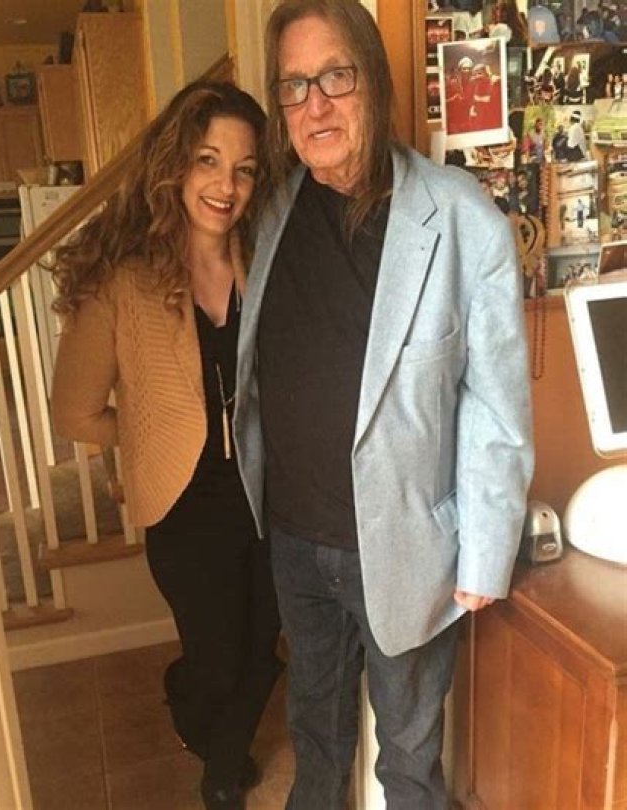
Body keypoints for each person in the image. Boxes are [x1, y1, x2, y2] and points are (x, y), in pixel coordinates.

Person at [233, 1, 534, 807]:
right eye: (294, 85)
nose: (316, 105)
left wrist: (485, 552)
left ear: (374, 79)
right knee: (316, 740)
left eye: (335, 76)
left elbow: (496, 403)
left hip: (405, 549)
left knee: (407, 758)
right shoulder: (274, 211)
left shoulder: (462, 218)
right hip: (296, 540)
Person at [49, 81, 283, 810]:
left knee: (265, 646)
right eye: (208, 160)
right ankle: (191, 707)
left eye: (244, 169)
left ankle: (220, 767)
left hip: (267, 494)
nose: (226, 186)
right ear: (175, 165)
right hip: (184, 507)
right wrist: (149, 434)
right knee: (217, 662)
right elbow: (74, 412)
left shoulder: (261, 259)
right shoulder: (122, 282)